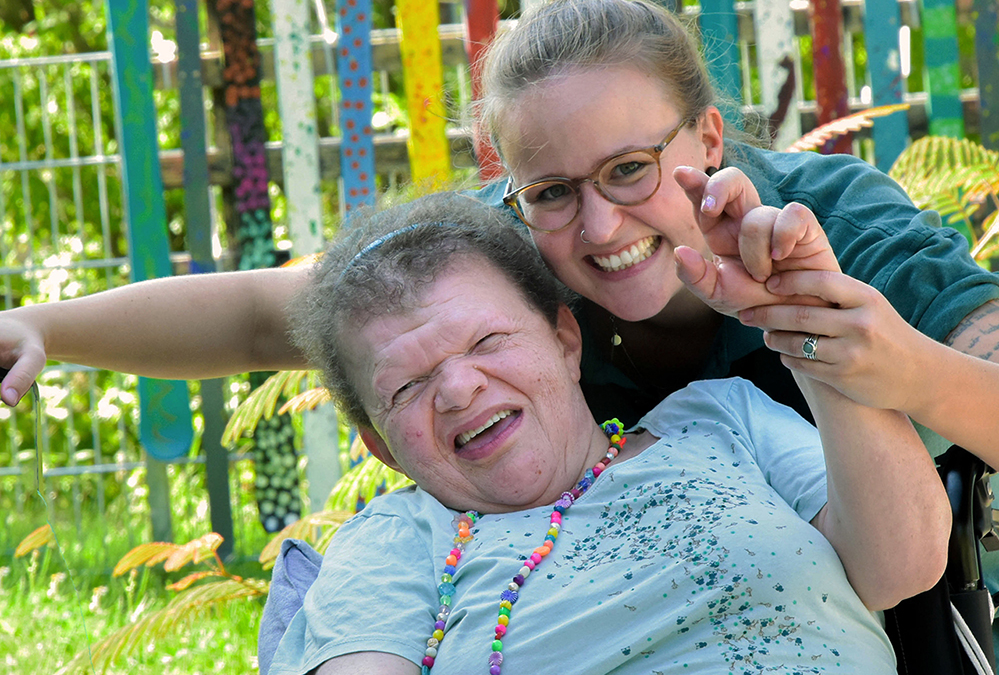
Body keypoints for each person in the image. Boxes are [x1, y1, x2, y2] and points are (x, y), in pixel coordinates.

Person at [0, 0, 999, 674]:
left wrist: (880, 357)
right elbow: (272, 314)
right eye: (551, 189)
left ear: (709, 139)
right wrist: (44, 323)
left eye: (632, 169)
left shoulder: (833, 229)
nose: (598, 225)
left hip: (902, 608)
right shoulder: (510, 255)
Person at [267, 192, 950, 674]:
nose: (457, 389)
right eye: (409, 386)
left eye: (487, 341)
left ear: (566, 342)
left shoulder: (725, 420)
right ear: (380, 446)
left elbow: (904, 564)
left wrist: (806, 307)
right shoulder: (398, 540)